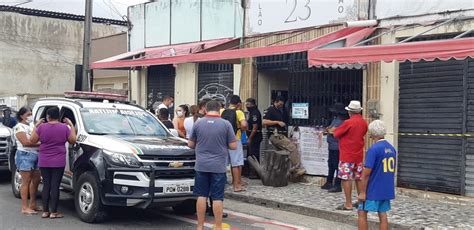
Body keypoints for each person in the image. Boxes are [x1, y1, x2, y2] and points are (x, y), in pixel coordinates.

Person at [188, 100, 237, 230]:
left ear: (205, 110)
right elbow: (233, 146)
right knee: (217, 197)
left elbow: (190, 144)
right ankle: (219, 226)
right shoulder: (226, 124)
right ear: (219, 109)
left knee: (201, 196)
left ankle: (200, 226)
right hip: (218, 166)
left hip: (201, 165)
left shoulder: (198, 123)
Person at [30, 107, 77, 219]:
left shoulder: (41, 127)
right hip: (58, 161)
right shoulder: (65, 128)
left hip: (44, 160)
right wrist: (71, 125)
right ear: (58, 116)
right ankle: (54, 212)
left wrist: (36, 125)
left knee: (46, 185)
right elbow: (73, 140)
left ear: (48, 116)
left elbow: (32, 140)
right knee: (55, 186)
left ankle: (45, 211)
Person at [358, 120, 396, 230]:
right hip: (386, 188)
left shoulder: (374, 149)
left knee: (362, 212)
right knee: (383, 214)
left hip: (373, 188)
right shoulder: (391, 148)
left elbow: (366, 173)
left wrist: (363, 192)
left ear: (371, 133)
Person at [333, 100, 368, 210]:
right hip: (358, 155)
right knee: (359, 178)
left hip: (347, 155)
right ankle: (361, 201)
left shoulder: (348, 122)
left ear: (350, 112)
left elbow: (336, 134)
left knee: (346, 178)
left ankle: (348, 204)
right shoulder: (364, 123)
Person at [263, 96, 306, 176]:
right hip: (275, 135)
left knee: (283, 153)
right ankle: (297, 168)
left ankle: (280, 173)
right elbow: (264, 122)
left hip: (280, 134)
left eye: (282, 104)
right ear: (276, 101)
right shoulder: (270, 110)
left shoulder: (281, 110)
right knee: (292, 147)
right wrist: (277, 122)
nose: (281, 105)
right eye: (280, 104)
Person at [13, 106, 41, 215]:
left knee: (36, 180)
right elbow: (26, 142)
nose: (30, 116)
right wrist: (41, 144)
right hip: (25, 154)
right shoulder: (19, 127)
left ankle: (32, 204)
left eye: (31, 114)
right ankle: (24, 207)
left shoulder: (32, 126)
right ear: (21, 116)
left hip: (36, 154)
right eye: (28, 114)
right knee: (26, 181)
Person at [221, 95, 248, 192]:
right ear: (239, 104)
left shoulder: (222, 111)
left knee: (223, 163)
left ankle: (222, 184)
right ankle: (236, 185)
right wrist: (242, 129)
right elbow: (244, 124)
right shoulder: (239, 112)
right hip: (235, 139)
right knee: (236, 163)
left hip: (223, 140)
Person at [322, 103, 346, 193]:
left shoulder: (342, 121)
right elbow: (330, 129)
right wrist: (329, 130)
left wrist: (329, 130)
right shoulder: (335, 120)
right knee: (331, 165)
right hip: (332, 146)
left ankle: (337, 184)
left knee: (336, 165)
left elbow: (333, 130)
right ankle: (329, 181)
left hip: (337, 147)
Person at [245, 98, 262, 162]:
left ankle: (255, 170)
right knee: (250, 154)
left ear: (253, 105)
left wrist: (250, 138)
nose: (247, 106)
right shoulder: (251, 112)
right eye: (246, 104)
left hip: (255, 138)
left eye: (248, 104)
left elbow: (255, 127)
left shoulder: (255, 113)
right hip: (252, 137)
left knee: (254, 155)